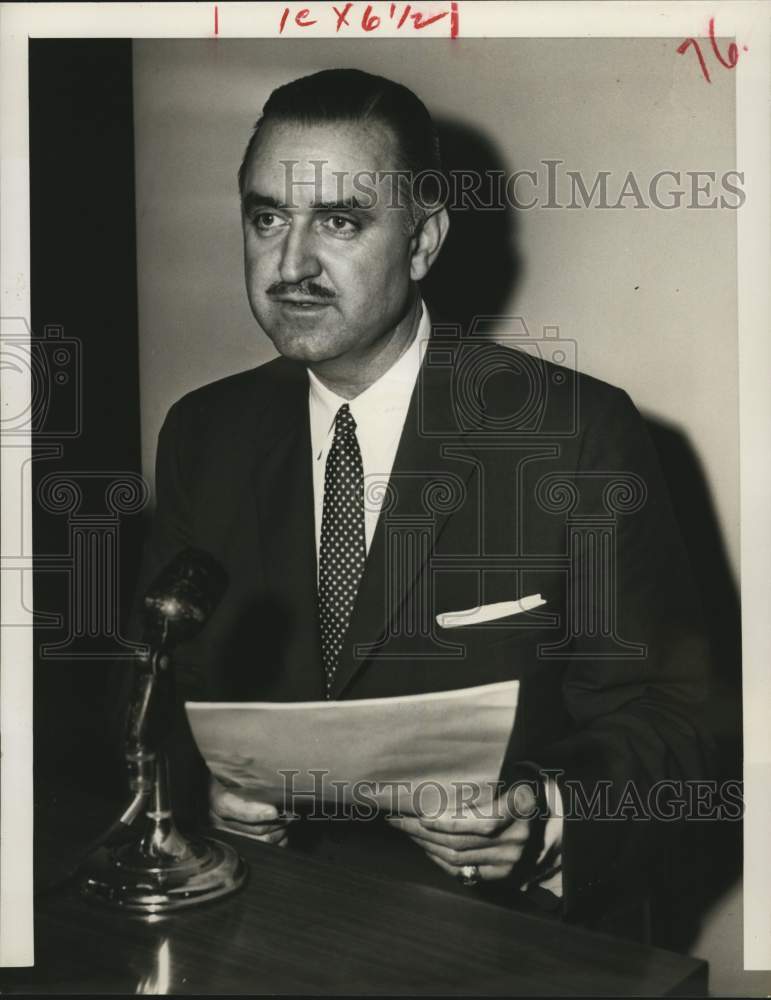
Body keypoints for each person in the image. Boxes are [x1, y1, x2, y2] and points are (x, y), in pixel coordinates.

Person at [129, 68, 714, 937]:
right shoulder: (202, 433)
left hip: (501, 944)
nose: (289, 265)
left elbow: (678, 719)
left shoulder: (574, 432)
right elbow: (149, 692)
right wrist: (197, 794)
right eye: (266, 218)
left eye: (339, 221)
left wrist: (548, 817)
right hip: (260, 921)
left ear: (423, 241)